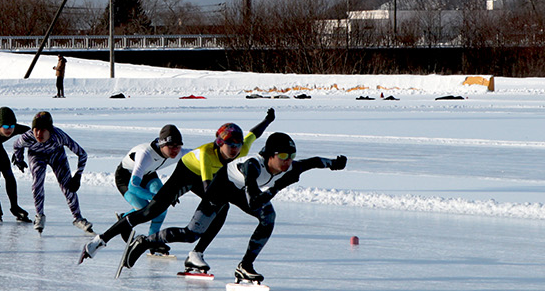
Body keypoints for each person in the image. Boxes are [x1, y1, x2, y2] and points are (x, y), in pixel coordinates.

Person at [121, 131, 346, 282]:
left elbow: (315, 161)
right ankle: (146, 241)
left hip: (243, 193)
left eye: (291, 156)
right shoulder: (253, 167)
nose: (288, 161)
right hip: (222, 188)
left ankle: (245, 265)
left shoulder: (290, 167)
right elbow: (253, 199)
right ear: (269, 156)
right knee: (192, 234)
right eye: (283, 156)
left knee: (268, 217)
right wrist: (277, 188)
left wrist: (334, 164)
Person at [81, 108, 275, 268]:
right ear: (219, 143)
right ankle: (100, 240)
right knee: (150, 211)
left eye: (238, 145)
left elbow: (253, 134)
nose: (235, 149)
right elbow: (208, 187)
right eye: (230, 144)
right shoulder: (208, 154)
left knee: (222, 208)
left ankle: (196, 253)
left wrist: (268, 120)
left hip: (205, 178)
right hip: (187, 173)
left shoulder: (243, 148)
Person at [10, 110, 90, 234]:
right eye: (35, 129)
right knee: (37, 183)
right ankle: (40, 216)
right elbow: (16, 146)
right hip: (36, 155)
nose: (38, 133)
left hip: (56, 154)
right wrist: (19, 159)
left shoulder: (59, 136)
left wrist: (78, 175)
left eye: (42, 130)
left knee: (67, 187)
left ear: (50, 130)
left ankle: (78, 218)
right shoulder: (28, 137)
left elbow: (82, 154)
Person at [112, 124, 185, 252]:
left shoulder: (180, 153)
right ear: (162, 145)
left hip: (148, 174)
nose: (175, 150)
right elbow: (133, 187)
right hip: (126, 178)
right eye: (171, 146)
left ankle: (153, 241)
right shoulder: (145, 154)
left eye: (178, 146)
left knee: (160, 207)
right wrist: (156, 198)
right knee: (144, 209)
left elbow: (201, 154)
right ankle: (125, 220)